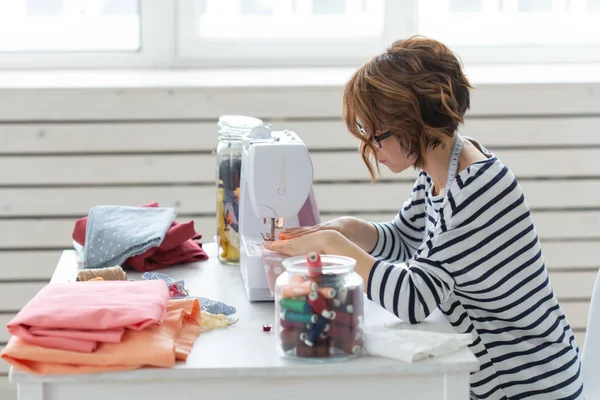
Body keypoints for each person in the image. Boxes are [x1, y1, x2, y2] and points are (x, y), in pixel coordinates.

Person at [264, 36, 584, 400]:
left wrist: (332, 246)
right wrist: (350, 229)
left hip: (526, 384)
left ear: (414, 123)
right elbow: (405, 240)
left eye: (375, 134)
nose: (370, 148)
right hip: (488, 375)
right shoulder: (442, 167)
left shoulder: (478, 189)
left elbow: (414, 299)